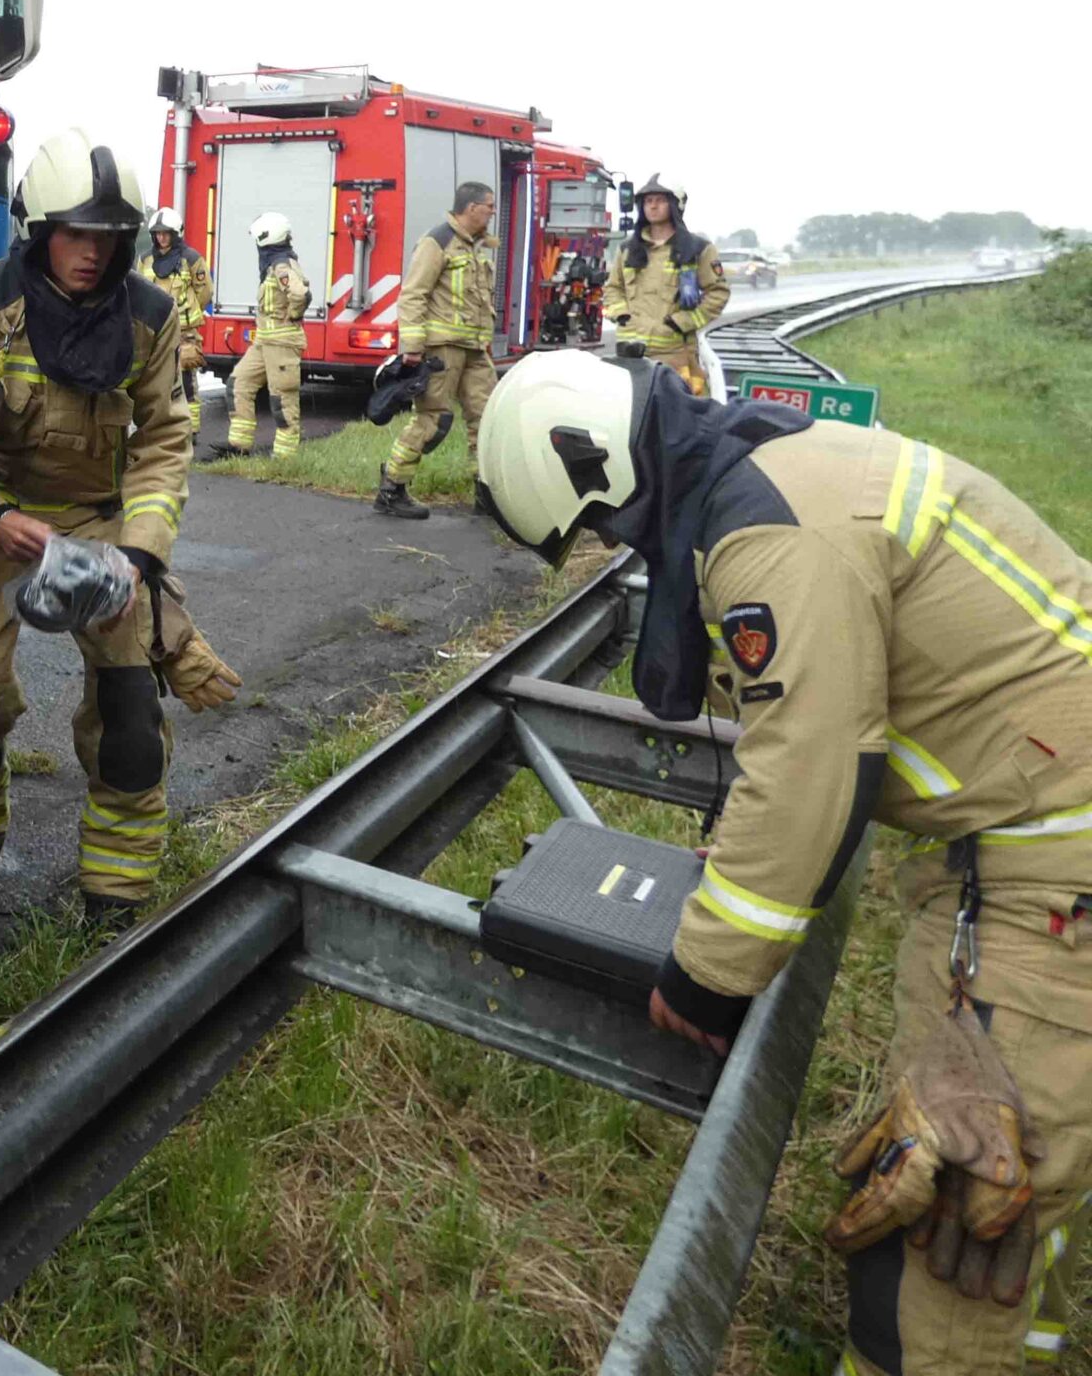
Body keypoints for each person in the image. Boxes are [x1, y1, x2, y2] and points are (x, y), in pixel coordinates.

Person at [475, 350, 1092, 1375]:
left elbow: (814, 764)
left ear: (594, 472)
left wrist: (704, 975)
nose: (617, 548)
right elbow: (818, 724)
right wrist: (746, 857)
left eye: (603, 530)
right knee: (1020, 1234)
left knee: (947, 1232)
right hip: (1036, 832)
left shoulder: (767, 531)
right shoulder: (777, 464)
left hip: (1053, 878)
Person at [0, 129, 234, 929]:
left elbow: (163, 441)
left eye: (110, 236)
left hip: (101, 525)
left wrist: (139, 556)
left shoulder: (149, 316)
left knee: (131, 718)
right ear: (41, 230)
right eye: (76, 233)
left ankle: (116, 897)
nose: (93, 252)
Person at [375, 180, 500, 521]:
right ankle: (391, 489)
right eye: (489, 206)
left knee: (488, 420)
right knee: (432, 419)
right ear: (471, 208)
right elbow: (413, 295)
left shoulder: (474, 246)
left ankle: (486, 492)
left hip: (474, 349)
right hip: (443, 350)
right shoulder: (437, 241)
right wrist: (413, 347)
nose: (492, 212)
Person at [607, 175, 728, 395]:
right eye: (647, 201)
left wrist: (682, 322)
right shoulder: (627, 249)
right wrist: (622, 315)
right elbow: (613, 288)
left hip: (675, 356)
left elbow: (718, 294)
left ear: (675, 205)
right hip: (630, 355)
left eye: (660, 200)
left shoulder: (697, 249)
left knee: (681, 411)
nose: (652, 206)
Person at [226, 211, 312, 461]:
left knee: (282, 398)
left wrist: (292, 315)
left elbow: (301, 295)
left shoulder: (281, 266)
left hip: (282, 343)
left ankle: (285, 457)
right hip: (264, 341)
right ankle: (238, 446)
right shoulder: (273, 265)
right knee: (238, 384)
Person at [138, 207, 212, 446]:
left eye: (166, 233)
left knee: (187, 380)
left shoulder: (191, 259)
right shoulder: (145, 259)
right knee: (155, 380)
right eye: (157, 233)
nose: (161, 238)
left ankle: (191, 430)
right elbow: (139, 290)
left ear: (175, 233)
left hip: (184, 332)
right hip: (154, 332)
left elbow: (204, 292)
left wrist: (188, 315)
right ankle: (159, 428)